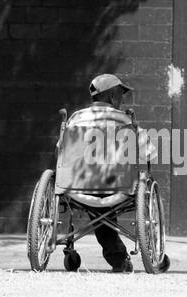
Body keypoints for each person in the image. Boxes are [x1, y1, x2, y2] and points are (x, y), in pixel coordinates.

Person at [66, 74, 156, 273]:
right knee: (104, 197)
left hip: (77, 184)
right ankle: (118, 258)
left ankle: (117, 257)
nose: (123, 100)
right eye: (122, 94)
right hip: (117, 185)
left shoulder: (75, 119)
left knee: (98, 202)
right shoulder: (125, 121)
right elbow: (149, 154)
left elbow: (60, 153)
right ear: (113, 95)